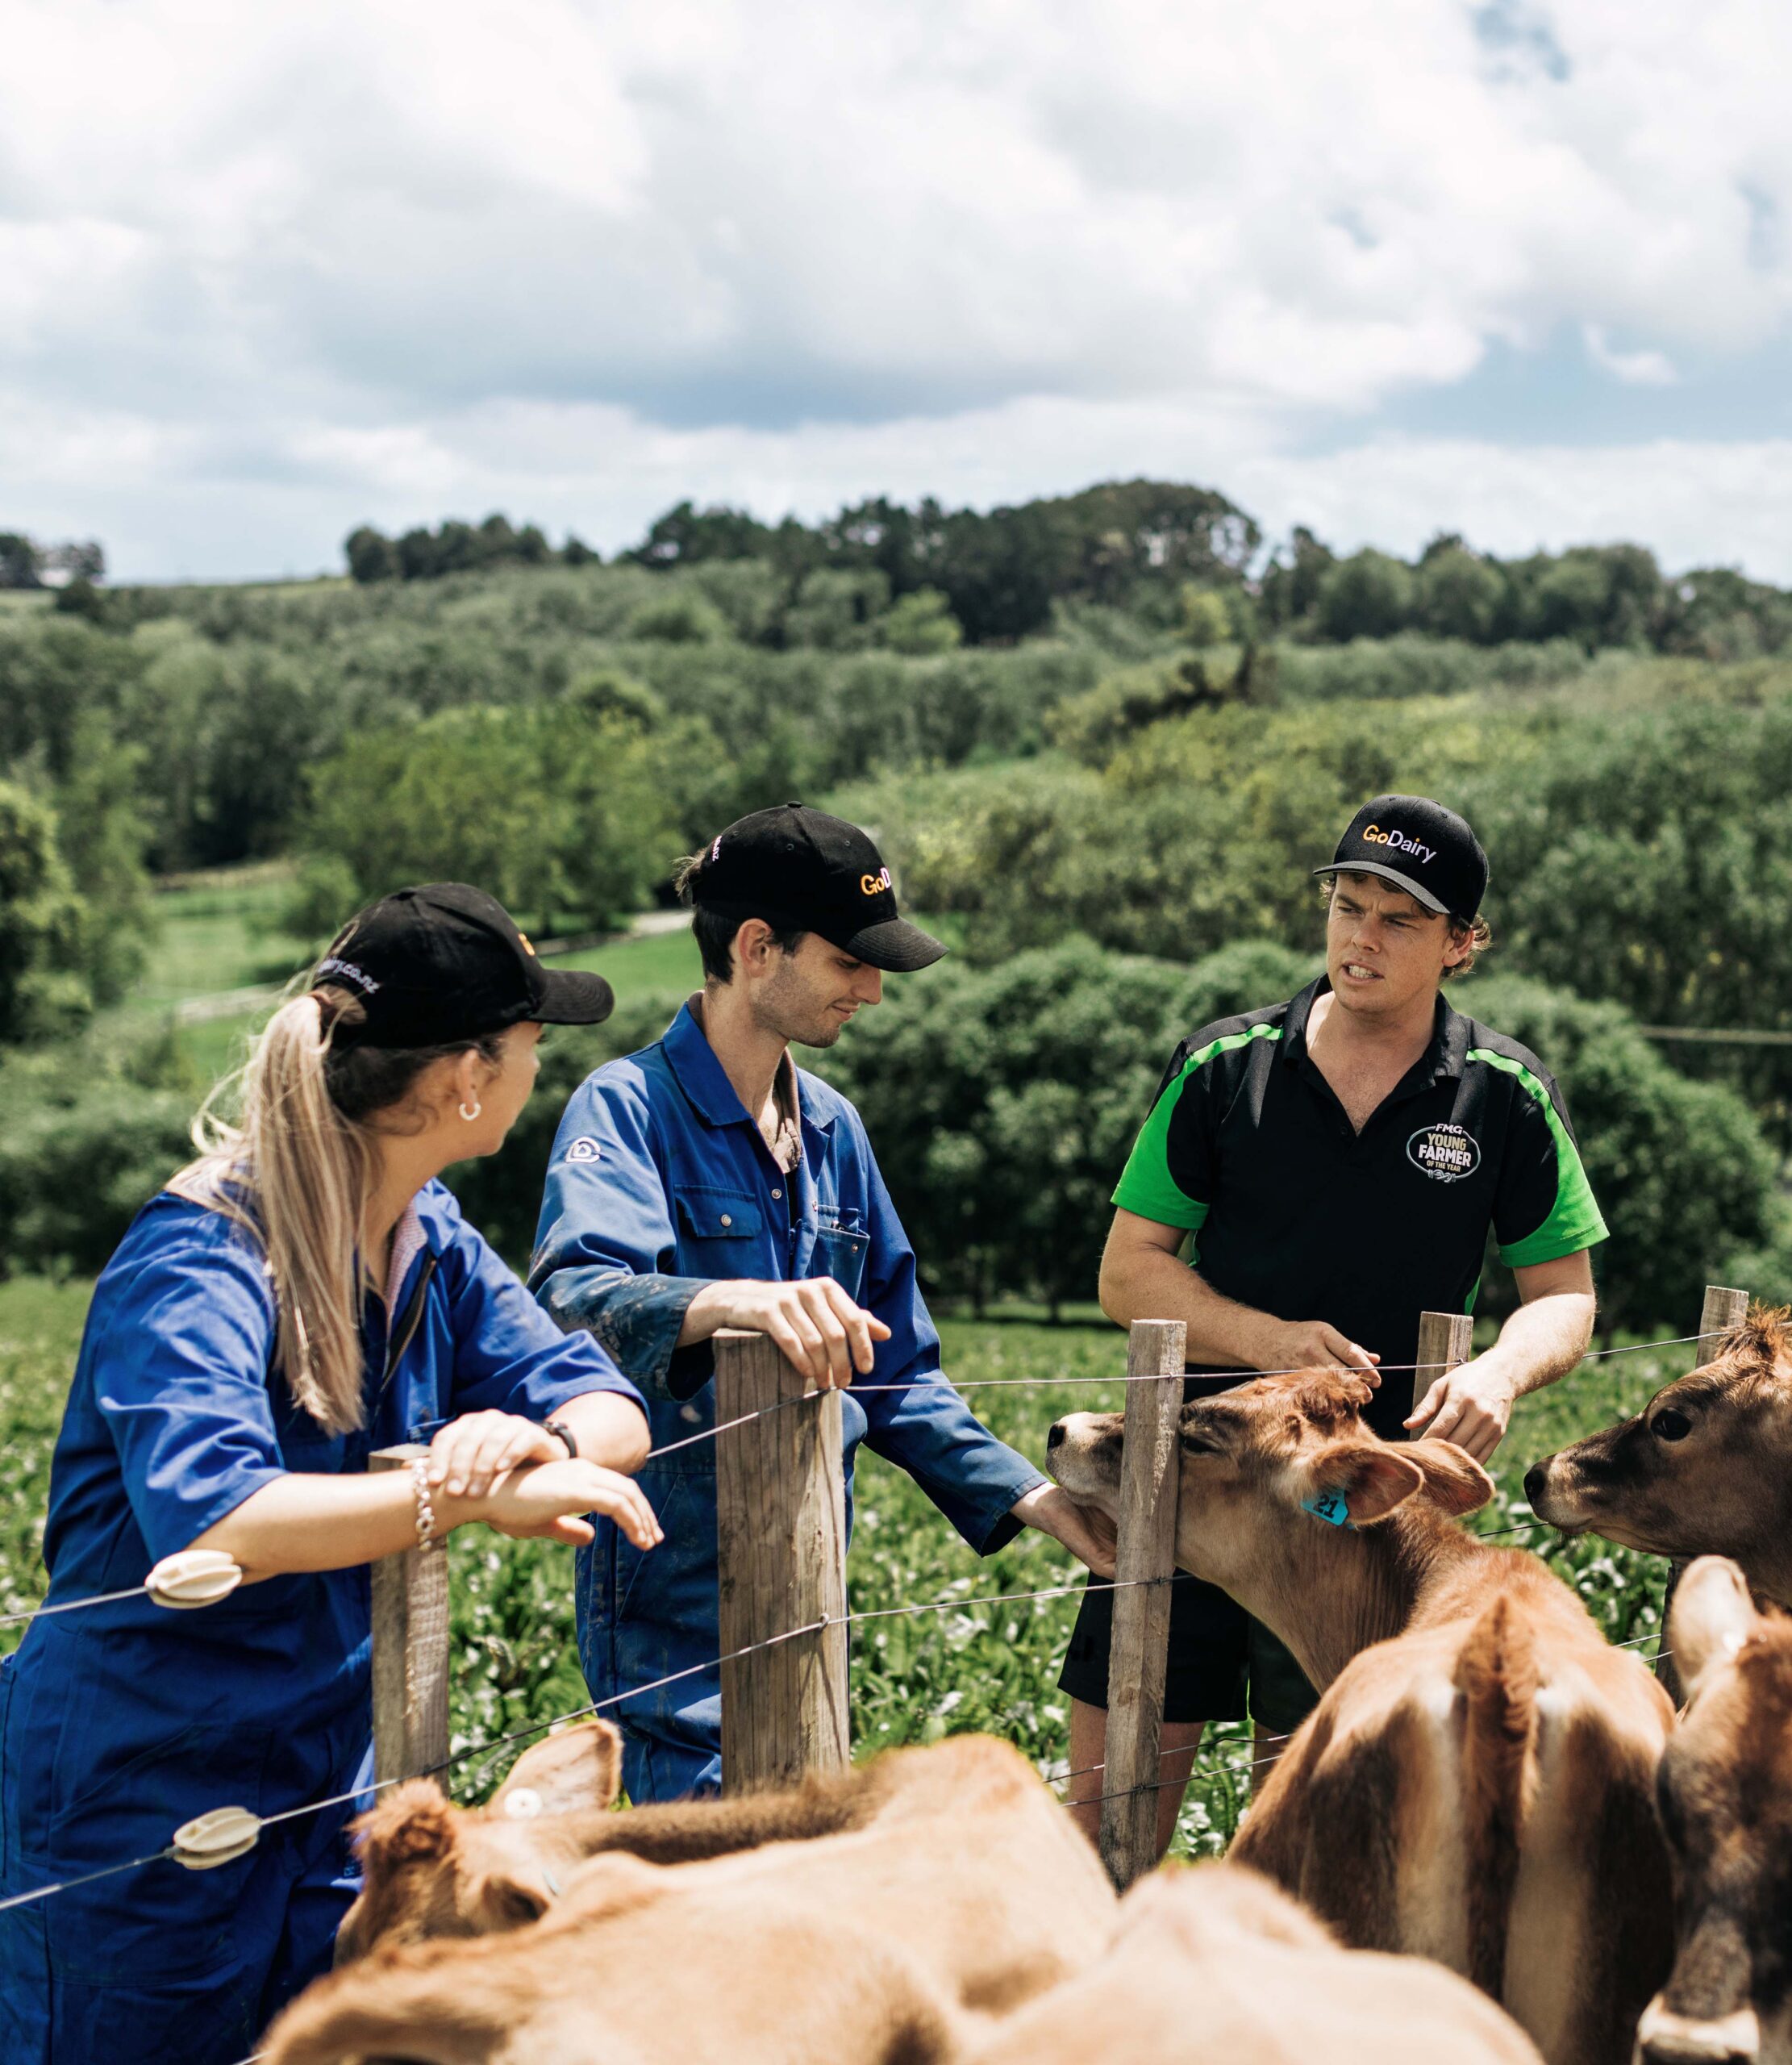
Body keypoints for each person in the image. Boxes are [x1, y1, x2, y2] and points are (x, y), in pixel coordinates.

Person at [0, 884, 660, 2065]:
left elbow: (605, 1405)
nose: (537, 1067)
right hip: (137, 1785)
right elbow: (218, 1510)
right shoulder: (200, 1253)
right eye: (527, 1043)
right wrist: (459, 1495)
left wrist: (533, 1448)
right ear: (463, 1077)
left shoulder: (430, 1235)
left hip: (321, 1787)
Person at [531, 803, 1115, 1803]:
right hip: (676, 1605)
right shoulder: (626, 1108)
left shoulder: (835, 1129)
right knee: (720, 1884)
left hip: (809, 1590)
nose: (873, 991)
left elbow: (896, 1365)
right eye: (850, 960)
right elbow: (577, 1296)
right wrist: (732, 1302)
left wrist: (1030, 1496)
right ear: (758, 949)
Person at [1061, 795, 1608, 1859]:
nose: (1360, 937)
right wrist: (1267, 1341)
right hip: (1191, 1476)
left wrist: (1498, 1374)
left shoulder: (1503, 1095)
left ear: (1462, 943)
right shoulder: (1225, 1067)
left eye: (1397, 920)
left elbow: (1565, 1297)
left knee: (1310, 1845)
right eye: (1347, 907)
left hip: (1357, 1516)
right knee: (1105, 1829)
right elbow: (1128, 1276)